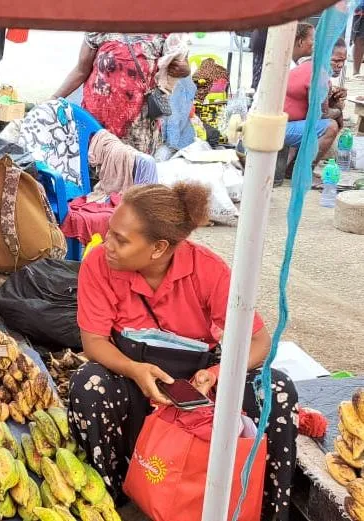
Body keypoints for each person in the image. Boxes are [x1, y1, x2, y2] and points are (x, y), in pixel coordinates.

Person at [69, 182, 298, 521]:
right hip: (135, 378)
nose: (107, 245)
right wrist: (135, 370)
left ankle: (268, 511)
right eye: (109, 232)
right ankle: (112, 501)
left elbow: (259, 342)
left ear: (158, 248)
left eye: (121, 239)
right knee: (89, 383)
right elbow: (94, 342)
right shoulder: (98, 266)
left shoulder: (208, 270)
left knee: (277, 389)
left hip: (200, 383)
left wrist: (217, 376)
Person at [52, 33, 190, 155]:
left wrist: (183, 69)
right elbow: (81, 70)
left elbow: (182, 64)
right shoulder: (99, 28)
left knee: (133, 171)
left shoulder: (163, 33)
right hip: (98, 124)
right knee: (95, 166)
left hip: (138, 130)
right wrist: (54, 99)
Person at [283, 39, 346, 167]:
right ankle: (304, 170)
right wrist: (339, 111)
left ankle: (294, 168)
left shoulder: (308, 65)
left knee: (326, 123)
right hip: (280, 129)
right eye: (336, 61)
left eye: (343, 61)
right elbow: (322, 114)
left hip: (283, 125)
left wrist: (333, 101)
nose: (340, 65)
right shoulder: (319, 75)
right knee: (331, 127)